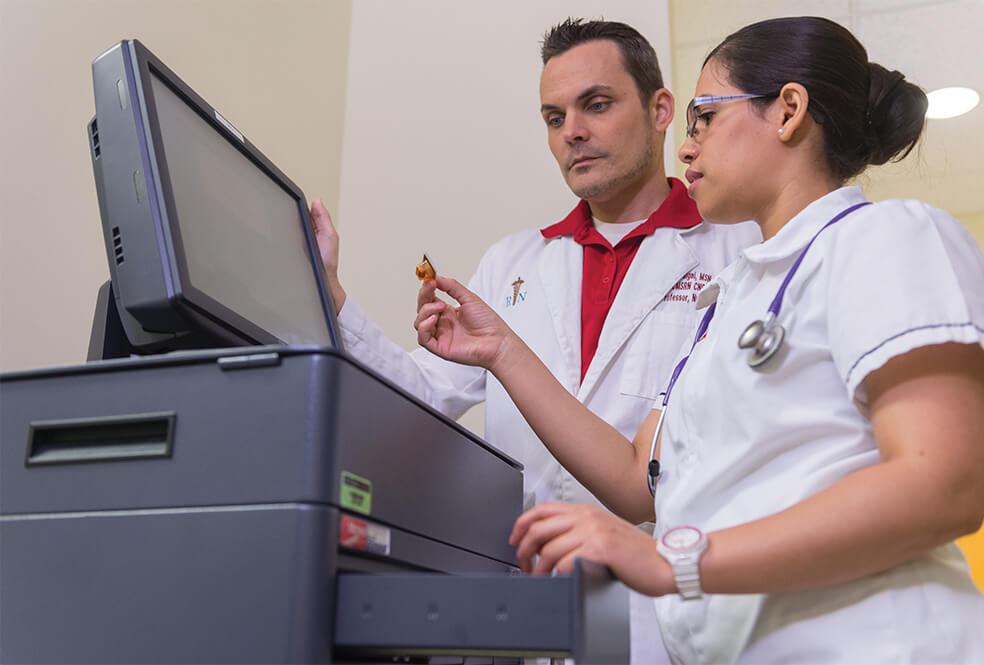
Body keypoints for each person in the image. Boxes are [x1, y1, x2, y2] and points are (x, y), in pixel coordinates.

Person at [413, 15, 984, 665]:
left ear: (788, 112)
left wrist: (673, 558)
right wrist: (502, 348)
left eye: (704, 119)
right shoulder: (725, 304)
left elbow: (940, 481)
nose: (686, 148)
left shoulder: (889, 238)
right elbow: (639, 481)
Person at [309, 18, 759, 664]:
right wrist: (333, 295)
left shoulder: (734, 246)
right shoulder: (513, 264)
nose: (572, 131)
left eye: (596, 105)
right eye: (554, 116)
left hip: (675, 617)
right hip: (530, 617)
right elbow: (419, 398)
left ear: (661, 110)